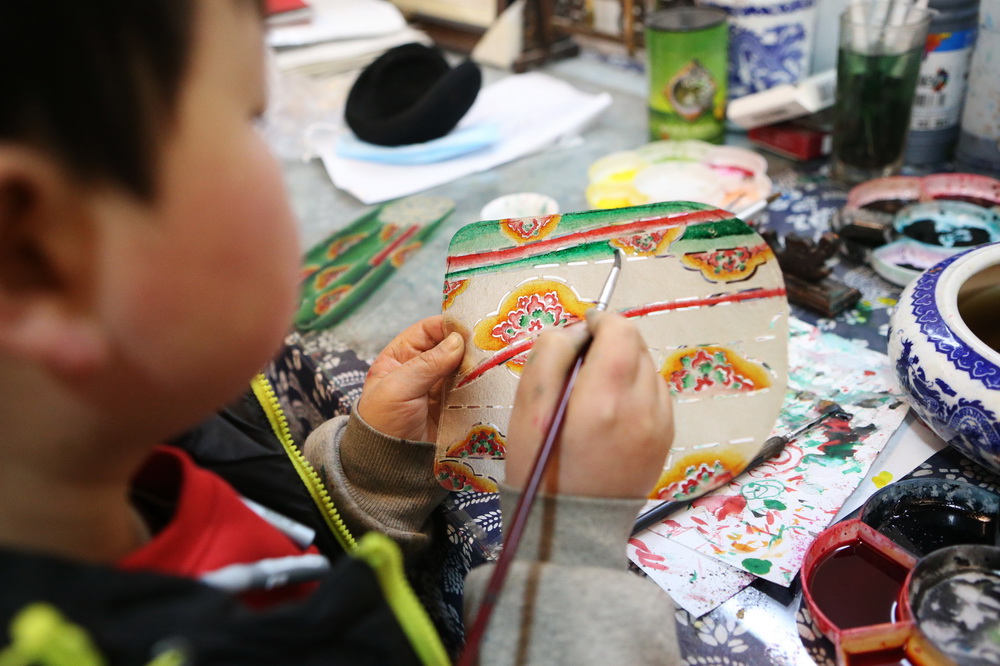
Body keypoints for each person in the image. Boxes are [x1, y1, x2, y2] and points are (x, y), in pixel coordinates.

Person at [0, 1, 680, 665]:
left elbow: (288, 563)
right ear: (34, 257)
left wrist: (371, 475)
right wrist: (569, 551)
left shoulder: (136, 463)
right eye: (250, 121)